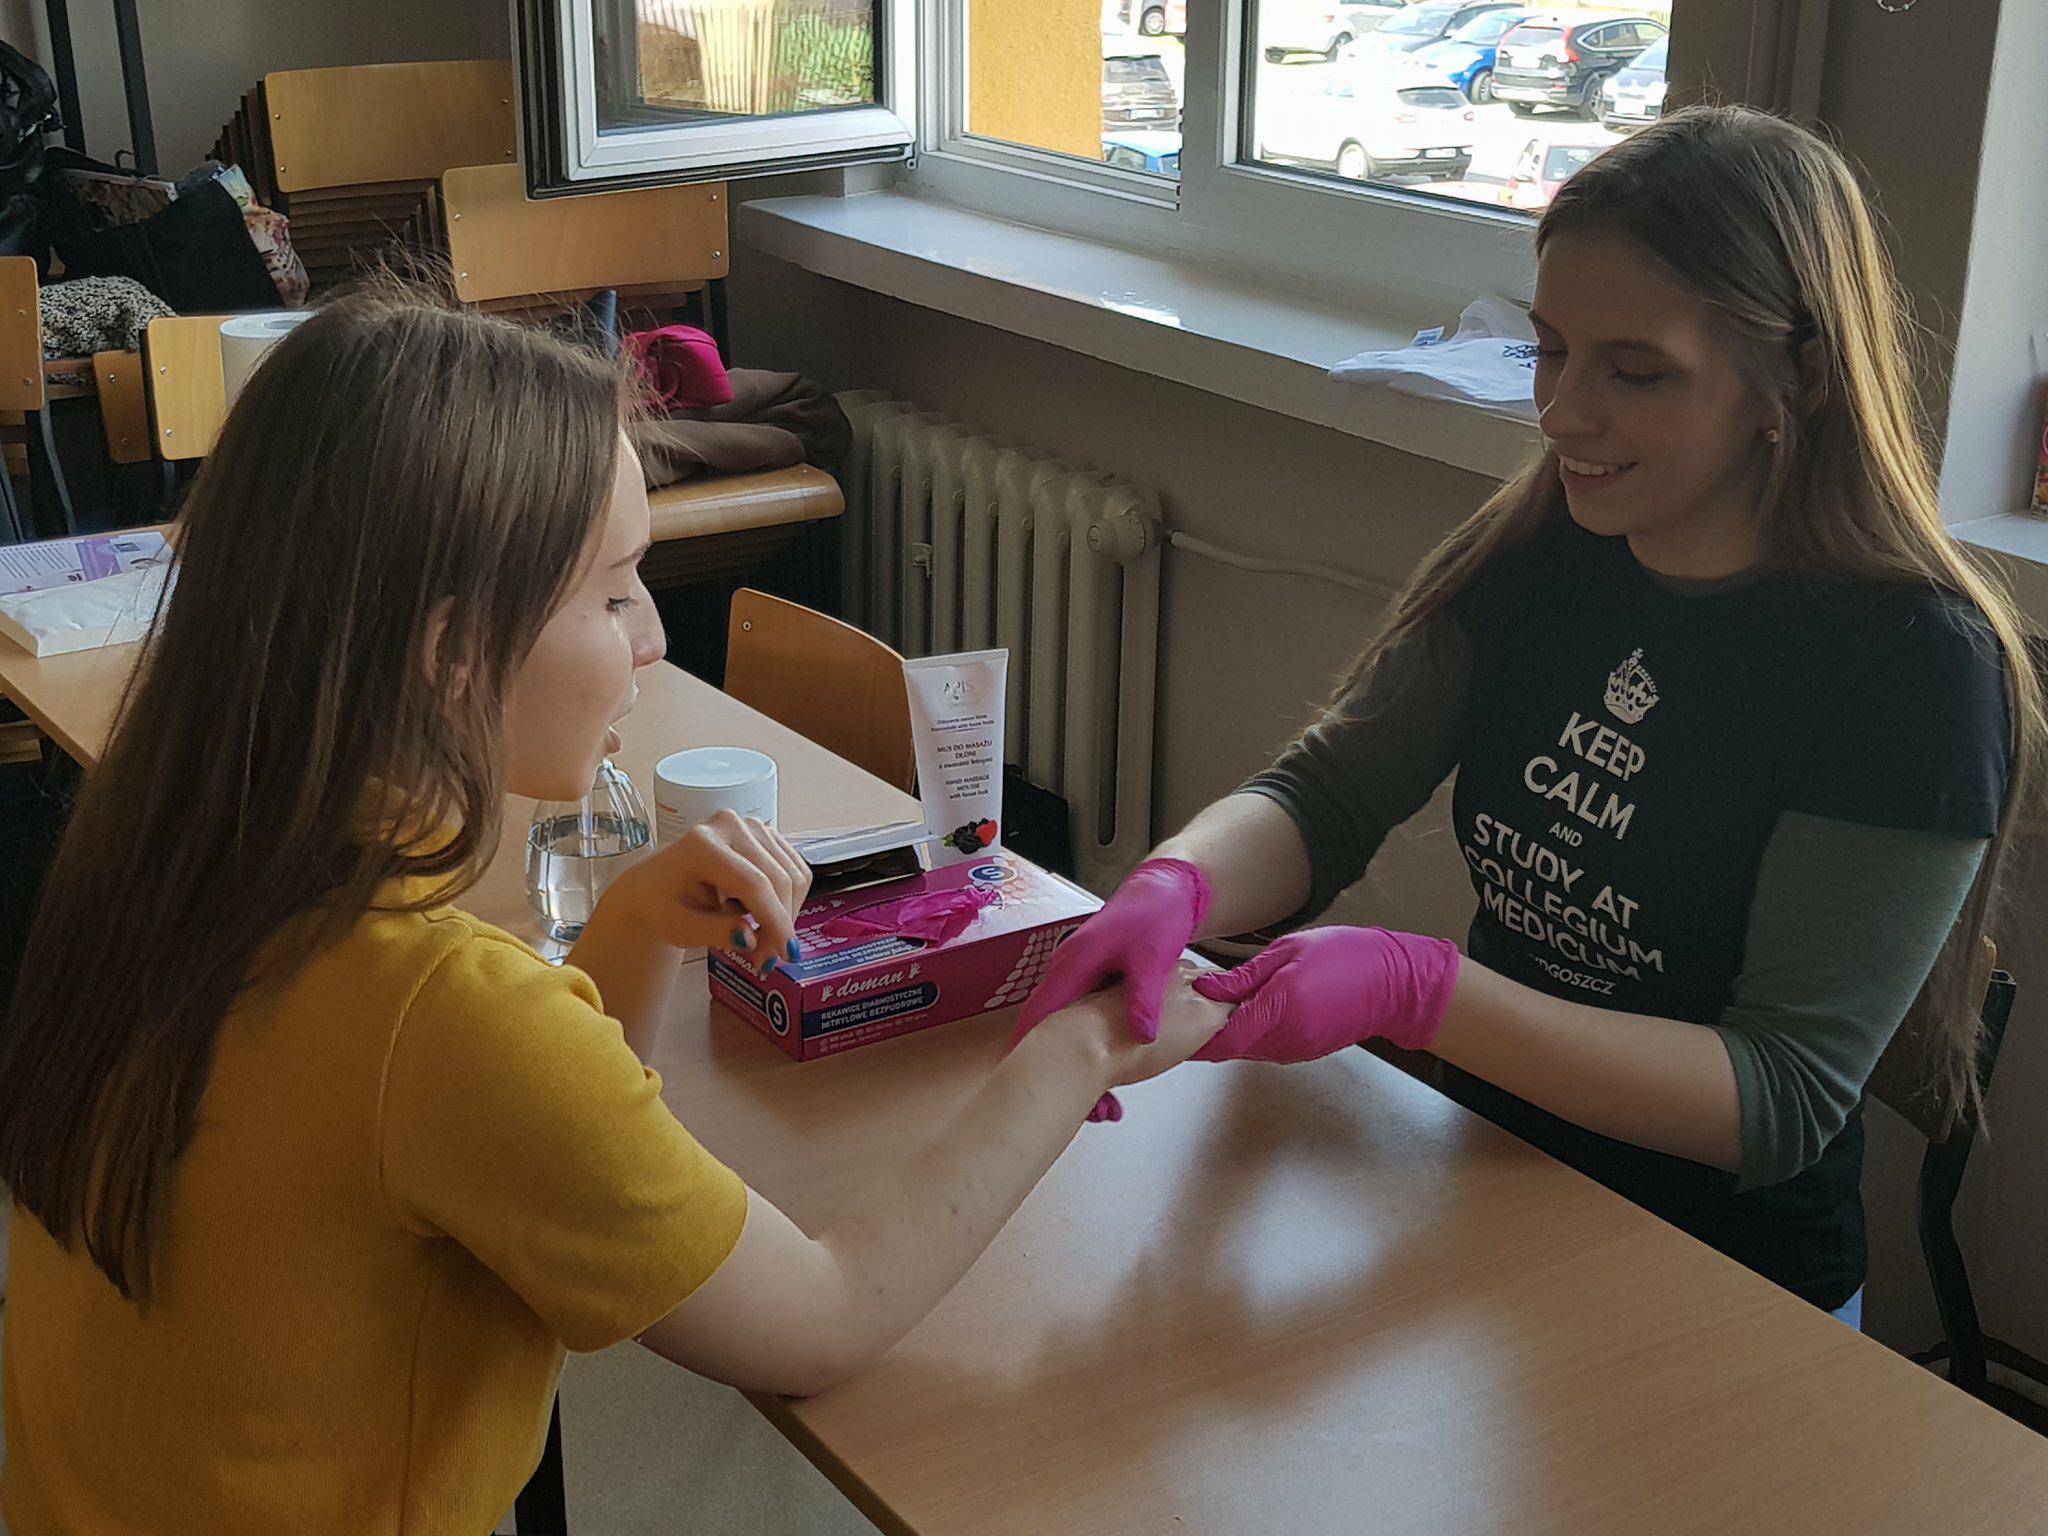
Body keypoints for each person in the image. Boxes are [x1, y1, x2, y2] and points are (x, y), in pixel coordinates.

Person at [0, 284, 1227, 1533]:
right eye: (614, 592)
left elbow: (512, 1129)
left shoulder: (173, 863)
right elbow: (824, 1317)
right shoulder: (439, 1010)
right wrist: (1078, 1046)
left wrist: (627, 935)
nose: (651, 641)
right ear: (449, 650)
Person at [1018, 106, 2042, 1331]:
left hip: (1724, 1290)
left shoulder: (1909, 670)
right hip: (1484, 1190)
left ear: (1796, 380)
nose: (1560, 414)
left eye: (1634, 371)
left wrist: (1419, 992)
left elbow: (1774, 1099)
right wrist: (1176, 884)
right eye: (1551, 350)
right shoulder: (1547, 549)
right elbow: (1328, 794)